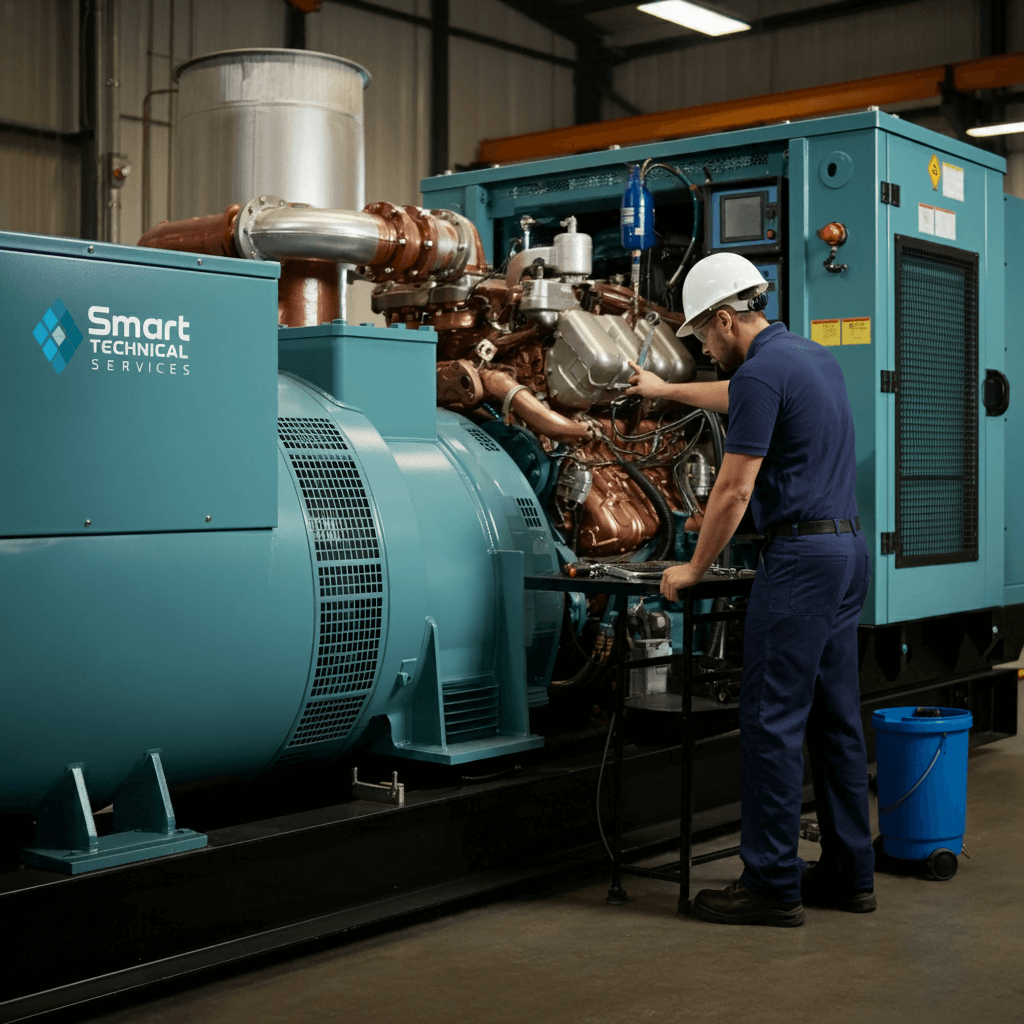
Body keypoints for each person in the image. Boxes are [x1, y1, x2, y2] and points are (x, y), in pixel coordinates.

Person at [626, 252, 875, 928]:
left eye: (705, 335)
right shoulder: (807, 357)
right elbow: (738, 397)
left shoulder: (762, 371)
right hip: (846, 551)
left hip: (798, 560)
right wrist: (667, 390)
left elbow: (734, 490)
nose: (704, 349)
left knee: (770, 720)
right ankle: (852, 874)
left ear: (728, 319)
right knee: (834, 720)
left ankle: (770, 883)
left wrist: (692, 569)